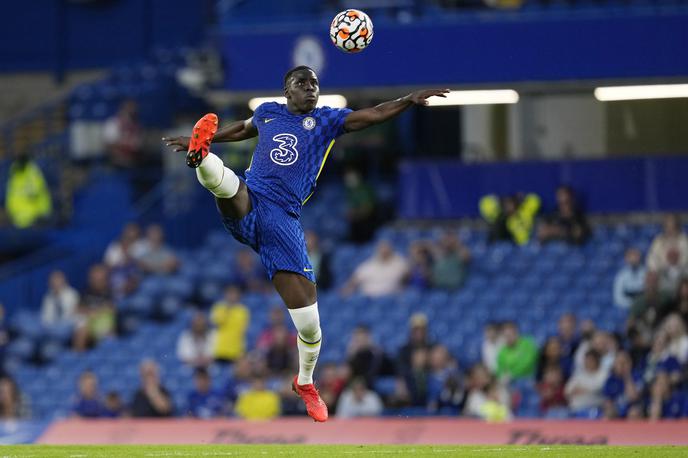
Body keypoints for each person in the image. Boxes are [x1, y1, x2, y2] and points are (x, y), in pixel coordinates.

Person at [163, 64, 447, 422]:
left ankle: (306, 382)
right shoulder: (268, 112)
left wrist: (407, 100)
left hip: (284, 220)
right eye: (303, 83)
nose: (311, 88)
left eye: (315, 83)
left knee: (310, 324)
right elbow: (242, 128)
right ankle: (201, 155)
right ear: (287, 90)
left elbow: (372, 115)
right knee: (228, 184)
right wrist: (207, 139)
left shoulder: (327, 120)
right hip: (254, 197)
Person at [342, 240, 409, 297]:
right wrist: (347, 290)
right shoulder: (368, 265)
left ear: (391, 250)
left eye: (386, 249)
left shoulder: (400, 263)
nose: (383, 251)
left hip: (391, 299)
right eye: (381, 249)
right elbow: (354, 281)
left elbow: (407, 277)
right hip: (368, 300)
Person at [4, 150, 52, 229]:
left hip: (35, 219)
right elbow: (11, 195)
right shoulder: (14, 173)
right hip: (18, 220)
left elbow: (35, 192)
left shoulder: (32, 172)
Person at [210, 286, 250, 364]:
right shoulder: (218, 308)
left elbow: (243, 331)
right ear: (225, 295)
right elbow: (216, 323)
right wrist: (227, 310)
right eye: (230, 294)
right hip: (219, 349)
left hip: (236, 350)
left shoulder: (243, 311)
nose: (232, 296)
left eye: (234, 294)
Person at [646, 214, 688, 284]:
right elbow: (652, 260)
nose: (670, 229)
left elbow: (685, 260)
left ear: (677, 227)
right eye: (667, 226)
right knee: (651, 277)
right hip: (662, 274)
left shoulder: (684, 240)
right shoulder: (658, 241)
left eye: (672, 226)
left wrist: (675, 265)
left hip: (682, 274)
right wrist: (661, 269)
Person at [103, 99, 144, 168]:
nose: (131, 112)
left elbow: (138, 146)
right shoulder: (113, 123)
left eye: (133, 111)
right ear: (122, 110)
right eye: (128, 110)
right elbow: (109, 145)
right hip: (116, 159)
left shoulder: (137, 126)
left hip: (134, 158)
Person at [564, 350, 607, 414]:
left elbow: (598, 388)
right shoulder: (578, 374)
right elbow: (567, 391)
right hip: (574, 409)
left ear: (596, 361)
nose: (588, 362)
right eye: (586, 360)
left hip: (594, 408)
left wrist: (582, 389)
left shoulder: (603, 374)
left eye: (591, 360)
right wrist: (585, 390)